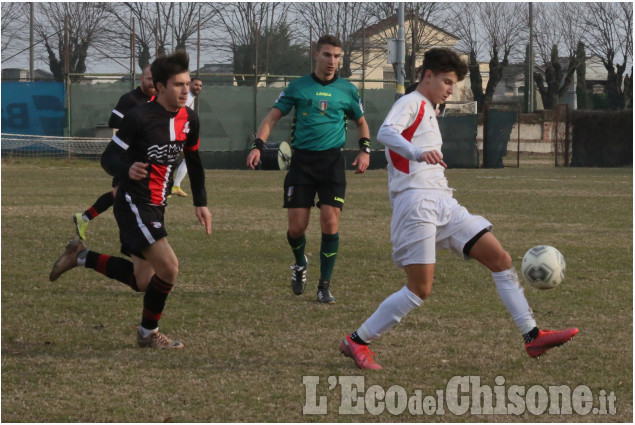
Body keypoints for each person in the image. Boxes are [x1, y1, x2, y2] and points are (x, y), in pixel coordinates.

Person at [339, 48, 578, 369]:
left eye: (454, 83)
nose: (451, 89)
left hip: (442, 202)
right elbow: (385, 132)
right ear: (427, 76)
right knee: (419, 289)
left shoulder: (428, 108)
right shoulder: (410, 102)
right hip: (416, 205)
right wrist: (416, 152)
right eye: (447, 81)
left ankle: (532, 336)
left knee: (501, 259)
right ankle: (356, 340)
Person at [49, 51, 212, 349]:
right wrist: (128, 168)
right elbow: (109, 157)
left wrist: (200, 202)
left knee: (142, 281)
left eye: (187, 84)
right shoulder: (139, 117)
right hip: (134, 202)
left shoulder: (190, 119)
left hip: (158, 204)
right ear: (160, 86)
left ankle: (80, 256)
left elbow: (194, 159)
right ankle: (148, 333)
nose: (185, 90)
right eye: (178, 84)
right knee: (170, 268)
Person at [246, 35, 371, 304]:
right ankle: (300, 262)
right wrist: (258, 145)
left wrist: (365, 150)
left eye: (337, 56)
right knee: (296, 228)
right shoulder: (298, 87)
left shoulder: (348, 90)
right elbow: (272, 117)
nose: (332, 61)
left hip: (332, 163)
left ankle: (324, 286)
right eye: (327, 55)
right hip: (302, 163)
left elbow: (361, 122)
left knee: (330, 220)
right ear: (316, 55)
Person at [73, 65, 156, 240]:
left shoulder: (158, 100)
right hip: (125, 155)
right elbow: (114, 120)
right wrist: (136, 123)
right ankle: (135, 233)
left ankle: (85, 217)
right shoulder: (130, 99)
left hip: (143, 155)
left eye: (155, 79)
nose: (152, 82)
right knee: (121, 195)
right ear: (141, 79)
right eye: (149, 78)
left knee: (121, 194)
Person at [172, 77, 203, 197]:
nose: (198, 87)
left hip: (181, 134)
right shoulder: (187, 97)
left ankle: (173, 186)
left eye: (200, 86)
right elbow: (180, 116)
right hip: (179, 135)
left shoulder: (190, 97)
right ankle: (173, 186)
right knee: (187, 158)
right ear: (189, 85)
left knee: (183, 159)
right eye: (196, 85)